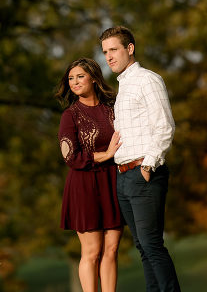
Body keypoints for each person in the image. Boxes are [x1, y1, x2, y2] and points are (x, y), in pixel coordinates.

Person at [100, 26, 181, 292]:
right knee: (143, 248)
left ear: (130, 48)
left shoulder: (148, 80)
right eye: (105, 52)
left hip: (144, 172)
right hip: (124, 177)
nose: (108, 57)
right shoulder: (123, 87)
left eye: (113, 50)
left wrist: (148, 165)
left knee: (152, 245)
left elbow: (165, 126)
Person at [55, 57, 124, 292]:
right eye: (70, 78)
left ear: (94, 79)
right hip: (84, 185)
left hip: (113, 182)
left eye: (80, 76)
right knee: (92, 251)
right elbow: (70, 157)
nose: (74, 82)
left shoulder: (113, 110)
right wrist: (106, 155)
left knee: (112, 249)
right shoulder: (70, 116)